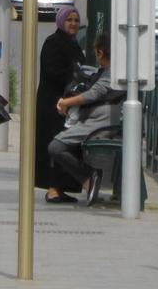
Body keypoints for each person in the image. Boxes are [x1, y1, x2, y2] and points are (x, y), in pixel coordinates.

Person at [49, 34, 123, 205]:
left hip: (100, 123)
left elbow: (94, 93)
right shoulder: (117, 70)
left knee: (56, 146)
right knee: (66, 137)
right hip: (104, 121)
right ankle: (85, 182)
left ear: (100, 53)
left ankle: (89, 177)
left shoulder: (111, 72)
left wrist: (66, 102)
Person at [37, 6, 86, 203]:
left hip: (66, 103)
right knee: (57, 144)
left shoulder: (72, 43)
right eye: (69, 20)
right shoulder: (54, 43)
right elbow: (52, 72)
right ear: (61, 22)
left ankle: (59, 186)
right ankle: (53, 188)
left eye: (76, 20)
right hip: (53, 104)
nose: (73, 23)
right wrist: (73, 72)